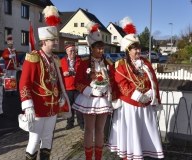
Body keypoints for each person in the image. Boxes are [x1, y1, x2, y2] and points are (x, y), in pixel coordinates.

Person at [107, 17, 164, 160]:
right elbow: (121, 83)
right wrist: (138, 95)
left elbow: (153, 80)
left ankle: (142, 153)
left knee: (144, 132)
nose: (138, 51)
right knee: (131, 133)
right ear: (128, 50)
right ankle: (129, 156)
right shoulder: (120, 64)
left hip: (146, 104)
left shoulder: (146, 62)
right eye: (135, 49)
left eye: (139, 48)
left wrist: (151, 93)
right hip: (130, 105)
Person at [19, 6, 71, 160]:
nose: (56, 42)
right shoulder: (33, 58)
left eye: (56, 40)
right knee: (34, 141)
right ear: (43, 41)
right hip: (38, 107)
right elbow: (24, 83)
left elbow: (59, 80)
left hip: (53, 106)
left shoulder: (55, 60)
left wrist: (61, 95)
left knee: (48, 140)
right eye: (53, 40)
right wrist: (27, 105)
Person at [72, 21, 118, 160]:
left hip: (103, 100)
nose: (101, 51)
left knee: (100, 130)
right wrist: (90, 90)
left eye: (102, 48)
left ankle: (98, 157)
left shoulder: (108, 63)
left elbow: (114, 80)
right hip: (89, 100)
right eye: (98, 48)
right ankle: (88, 157)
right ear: (92, 48)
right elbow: (77, 83)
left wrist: (108, 88)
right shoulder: (84, 62)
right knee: (89, 129)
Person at [60, 43, 84, 131]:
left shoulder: (80, 60)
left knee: (79, 107)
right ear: (67, 52)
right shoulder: (62, 61)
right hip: (67, 87)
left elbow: (83, 73)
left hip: (78, 87)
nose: (73, 52)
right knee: (69, 107)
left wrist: (75, 73)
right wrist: (63, 74)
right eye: (71, 51)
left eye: (74, 50)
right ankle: (70, 123)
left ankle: (81, 123)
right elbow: (59, 73)